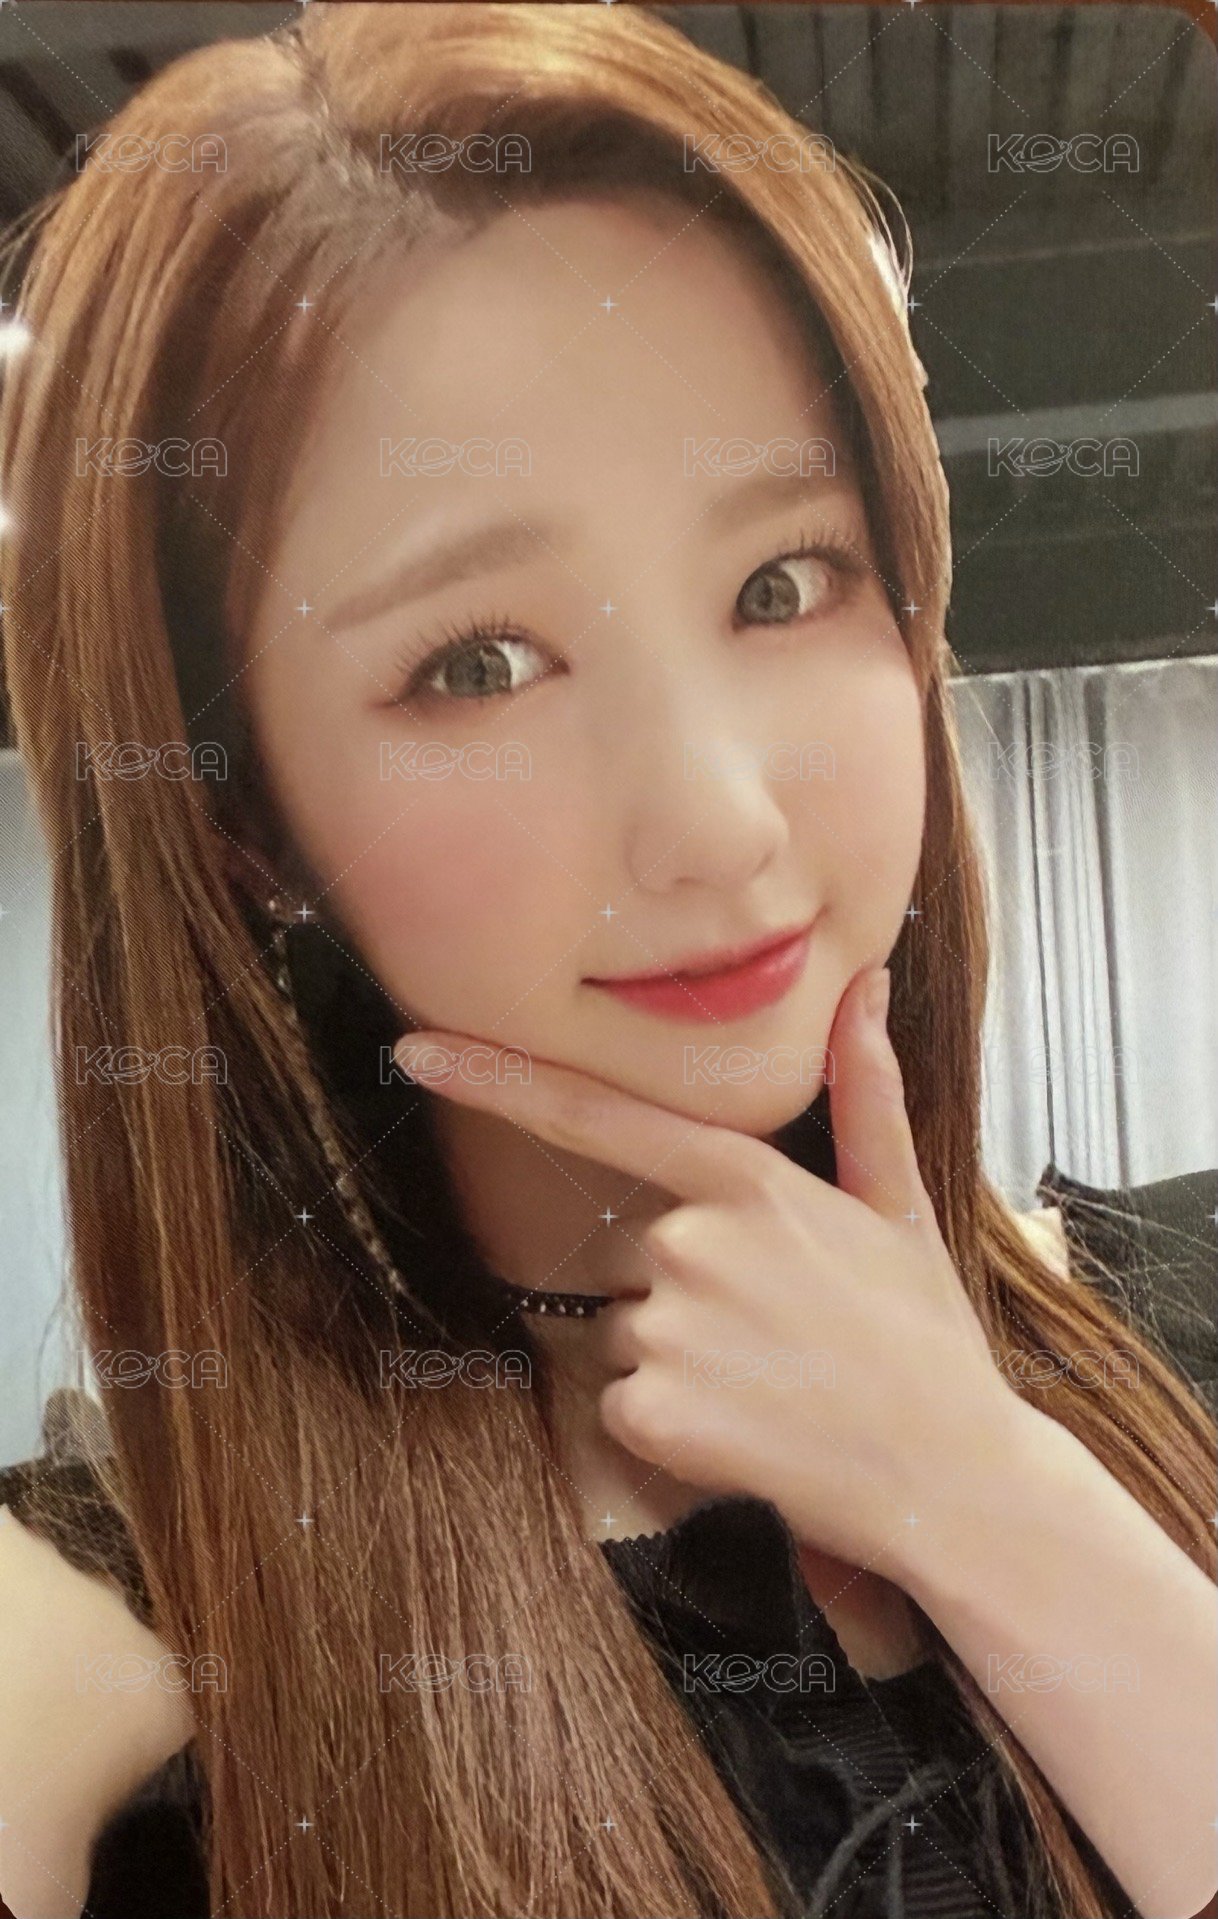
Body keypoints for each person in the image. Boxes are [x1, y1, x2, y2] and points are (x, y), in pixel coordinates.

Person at [0, 6, 1214, 1917]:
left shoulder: (1183, 1320)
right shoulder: (113, 1659)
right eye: (475, 663)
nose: (718, 820)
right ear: (246, 827)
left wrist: (987, 1496)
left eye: (781, 581)